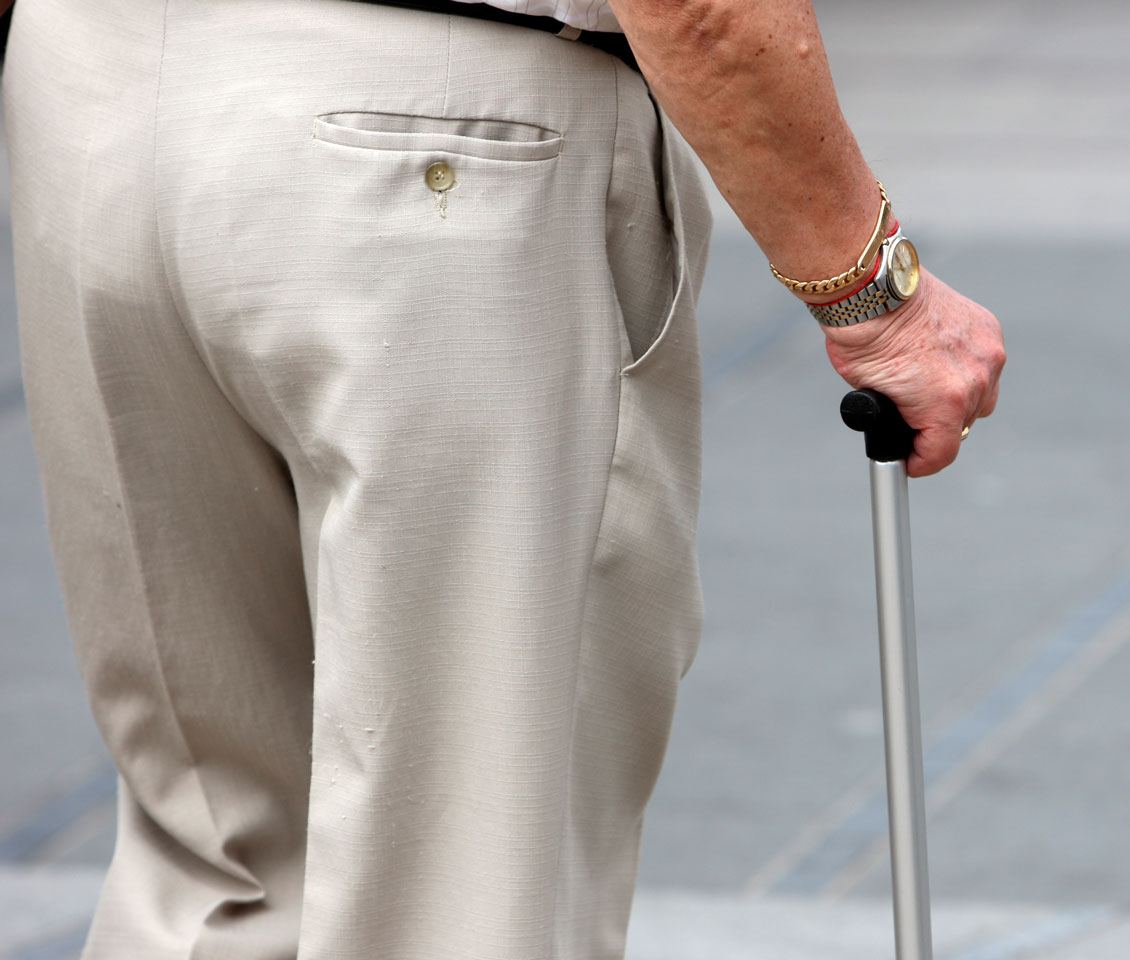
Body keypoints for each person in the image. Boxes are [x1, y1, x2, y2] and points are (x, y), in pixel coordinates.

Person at [1, 0, 1004, 956]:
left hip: (95, 98)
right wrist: (874, 291)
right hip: (431, 124)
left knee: (218, 864)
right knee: (462, 879)